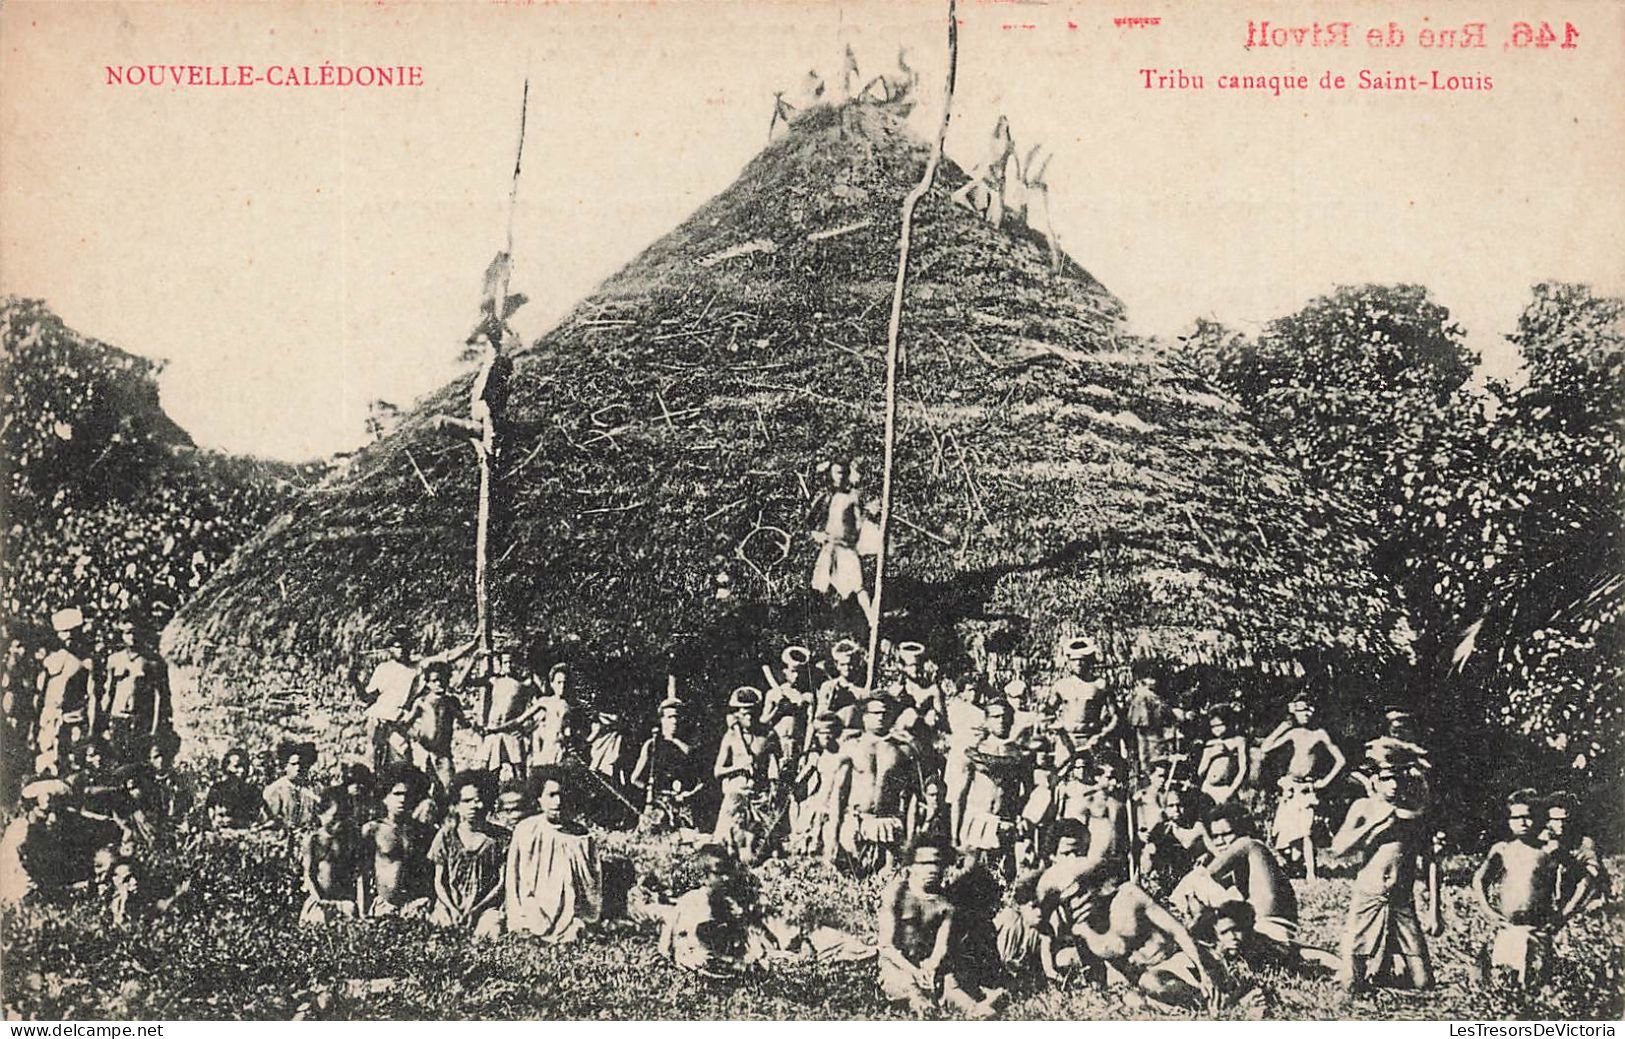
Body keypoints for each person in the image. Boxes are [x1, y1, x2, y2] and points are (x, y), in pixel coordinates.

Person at [1328, 741, 1440, 993]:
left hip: (1401, 899)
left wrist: (1435, 911)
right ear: (1375, 780)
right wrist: (1373, 826)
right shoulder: (1363, 808)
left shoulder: (1413, 812)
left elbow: (1431, 860)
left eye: (1399, 778)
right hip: (1368, 895)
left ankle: (1391, 965)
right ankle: (1375, 970)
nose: (1394, 785)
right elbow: (1338, 849)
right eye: (1388, 778)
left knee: (1424, 983)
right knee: (1352, 983)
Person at [1057, 871, 1216, 1012]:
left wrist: (1203, 970)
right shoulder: (1081, 932)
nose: (1077, 903)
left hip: (1176, 961)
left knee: (1150, 981)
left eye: (1080, 894)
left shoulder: (1128, 895)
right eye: (1069, 901)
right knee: (1132, 998)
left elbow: (1177, 930)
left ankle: (1208, 1000)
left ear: (1092, 888)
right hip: (1145, 983)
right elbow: (1095, 980)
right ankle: (1171, 1008)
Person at [878, 843, 997, 1018]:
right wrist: (914, 971)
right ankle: (921, 1006)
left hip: (927, 963)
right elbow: (886, 946)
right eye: (924, 864)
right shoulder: (896, 894)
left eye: (936, 863)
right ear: (910, 866)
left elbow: (941, 946)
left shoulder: (944, 904)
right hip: (898, 962)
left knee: (950, 984)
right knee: (909, 986)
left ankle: (974, 1010)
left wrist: (933, 964)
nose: (932, 869)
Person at [1175, 804, 1299, 949]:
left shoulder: (1252, 845)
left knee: (1198, 878)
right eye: (1215, 837)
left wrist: (1209, 850)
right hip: (1254, 935)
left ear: (1242, 832)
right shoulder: (1239, 869)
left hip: (1273, 930)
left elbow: (1210, 873)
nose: (1221, 841)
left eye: (1227, 834)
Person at [1472, 789, 1563, 987]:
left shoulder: (1548, 850)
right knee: (1504, 979)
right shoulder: (1502, 849)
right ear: (1509, 820)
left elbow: (1585, 879)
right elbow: (1479, 879)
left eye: (1528, 817)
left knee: (1536, 982)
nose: (1522, 822)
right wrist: (1489, 912)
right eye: (1516, 817)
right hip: (1508, 926)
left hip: (1537, 928)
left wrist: (1562, 914)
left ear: (1537, 818)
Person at [505, 766, 601, 943]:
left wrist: (587, 917)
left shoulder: (580, 836)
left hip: (570, 910)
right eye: (552, 795)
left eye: (563, 795)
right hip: (533, 907)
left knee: (574, 934)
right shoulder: (526, 830)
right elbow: (513, 877)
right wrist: (517, 917)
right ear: (539, 798)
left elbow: (591, 885)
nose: (558, 802)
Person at [1260, 696, 1346, 880]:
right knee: (1285, 833)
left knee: (1306, 832)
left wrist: (1325, 781)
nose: (1305, 714)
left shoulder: (1319, 734)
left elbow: (1341, 760)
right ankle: (1295, 867)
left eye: (1308, 710)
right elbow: (1266, 748)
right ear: (1294, 712)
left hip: (1307, 788)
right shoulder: (1294, 733)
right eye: (1299, 710)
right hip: (1291, 786)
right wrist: (1284, 726)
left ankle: (1311, 873)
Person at [829, 698, 918, 875]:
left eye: (885, 713)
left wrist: (909, 838)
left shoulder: (903, 749)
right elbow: (838, 793)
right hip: (857, 821)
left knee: (888, 879)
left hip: (888, 825)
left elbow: (911, 797)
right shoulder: (851, 747)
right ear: (864, 716)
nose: (880, 717)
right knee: (850, 877)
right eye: (875, 713)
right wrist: (833, 835)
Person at [429, 771, 506, 937]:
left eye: (478, 800)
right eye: (466, 801)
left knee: (492, 931)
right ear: (456, 805)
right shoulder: (446, 835)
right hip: (450, 905)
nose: (473, 806)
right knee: (439, 934)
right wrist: (451, 907)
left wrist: (477, 910)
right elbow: (439, 881)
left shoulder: (500, 838)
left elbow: (501, 882)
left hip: (486, 906)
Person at [958, 701, 1028, 872]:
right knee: (969, 869)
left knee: (1005, 871)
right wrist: (956, 834)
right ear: (987, 721)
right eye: (996, 717)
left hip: (1005, 820)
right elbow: (960, 795)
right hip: (977, 819)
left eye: (1006, 717)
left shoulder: (1019, 754)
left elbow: (1028, 790)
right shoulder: (974, 751)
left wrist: (1019, 815)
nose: (1002, 721)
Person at [712, 686, 781, 861]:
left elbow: (773, 764)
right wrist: (739, 767)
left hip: (760, 794)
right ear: (737, 714)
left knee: (762, 844)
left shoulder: (768, 736)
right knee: (727, 841)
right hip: (737, 793)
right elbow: (718, 771)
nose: (749, 717)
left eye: (752, 713)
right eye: (744, 713)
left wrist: (774, 784)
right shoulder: (731, 737)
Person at [361, 768, 433, 916]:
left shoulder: (423, 831)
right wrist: (363, 911)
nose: (402, 799)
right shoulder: (373, 830)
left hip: (415, 906)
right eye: (397, 794)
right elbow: (362, 873)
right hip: (385, 906)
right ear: (384, 797)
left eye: (407, 795)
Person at [630, 697, 704, 830]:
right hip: (658, 807)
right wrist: (652, 792)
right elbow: (634, 779)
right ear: (661, 720)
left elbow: (701, 782)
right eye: (670, 717)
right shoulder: (652, 745)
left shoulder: (690, 748)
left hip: (683, 808)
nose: (674, 721)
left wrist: (688, 795)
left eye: (677, 717)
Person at [101, 619, 170, 760]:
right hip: (117, 717)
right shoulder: (114, 660)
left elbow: (159, 697)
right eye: (127, 633)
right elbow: (109, 691)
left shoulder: (152, 662)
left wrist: (155, 728)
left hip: (139, 718)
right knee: (117, 759)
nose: (131, 637)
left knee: (138, 760)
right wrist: (103, 723)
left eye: (135, 633)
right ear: (121, 635)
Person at [37, 607, 95, 773]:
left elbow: (92, 698)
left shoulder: (86, 662)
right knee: (48, 763)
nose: (68, 636)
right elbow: (40, 696)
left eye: (72, 631)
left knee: (72, 765)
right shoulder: (51, 661)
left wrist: (91, 729)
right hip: (50, 720)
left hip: (73, 720)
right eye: (64, 632)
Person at [300, 788, 365, 924]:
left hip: (344, 903)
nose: (338, 824)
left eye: (342, 818)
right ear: (321, 815)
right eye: (334, 817)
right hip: (320, 903)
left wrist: (361, 908)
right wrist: (320, 901)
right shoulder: (314, 841)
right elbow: (309, 874)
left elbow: (358, 876)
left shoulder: (349, 840)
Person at [1049, 637, 1116, 765]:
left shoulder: (1100, 684)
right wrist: (1056, 727)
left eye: (1082, 660)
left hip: (1092, 739)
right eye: (1074, 660)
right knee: (1063, 776)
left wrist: (1101, 736)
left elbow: (1116, 717)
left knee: (1096, 777)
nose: (1078, 663)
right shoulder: (1061, 685)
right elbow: (1047, 712)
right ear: (1068, 662)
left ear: (1090, 661)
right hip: (1067, 739)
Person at [1544, 792, 1611, 915]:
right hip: (1557, 896)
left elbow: (1593, 878)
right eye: (1555, 820)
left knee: (1586, 875)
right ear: (1547, 821)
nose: (1561, 824)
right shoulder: (1544, 840)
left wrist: (1569, 861)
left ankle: (1565, 914)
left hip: (1583, 896)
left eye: (1565, 820)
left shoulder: (1584, 843)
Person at [403, 662, 465, 794]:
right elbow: (406, 723)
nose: (439, 684)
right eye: (435, 681)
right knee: (422, 787)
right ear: (428, 683)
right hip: (423, 751)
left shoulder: (451, 701)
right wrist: (416, 734)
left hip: (443, 753)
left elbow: (464, 723)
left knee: (447, 787)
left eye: (443, 680)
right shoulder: (421, 702)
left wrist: (456, 712)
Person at [789, 712, 845, 856]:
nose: (826, 737)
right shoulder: (817, 756)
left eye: (829, 733)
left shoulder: (843, 755)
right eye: (822, 733)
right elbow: (800, 780)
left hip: (837, 801)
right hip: (820, 799)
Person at [476, 648, 535, 782]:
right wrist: (475, 659)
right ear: (501, 664)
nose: (508, 665)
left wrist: (527, 730)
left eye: (511, 662)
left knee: (519, 772)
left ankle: (523, 800)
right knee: (490, 773)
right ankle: (490, 801)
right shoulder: (495, 681)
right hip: (493, 732)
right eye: (505, 662)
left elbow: (540, 708)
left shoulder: (524, 684)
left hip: (512, 732)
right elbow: (463, 684)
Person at [949, 115, 1017, 229]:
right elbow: (989, 156)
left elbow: (1012, 159)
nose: (1004, 128)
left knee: (997, 206)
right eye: (1002, 125)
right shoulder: (993, 140)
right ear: (998, 126)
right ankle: (977, 212)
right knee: (979, 192)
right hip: (989, 172)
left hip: (999, 177)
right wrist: (980, 166)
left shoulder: (1009, 143)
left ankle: (990, 221)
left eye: (1006, 126)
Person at [1140, 784, 1206, 900]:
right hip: (1166, 880)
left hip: (1188, 877)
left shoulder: (1192, 826)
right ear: (1164, 809)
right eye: (1171, 806)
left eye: (1179, 805)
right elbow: (1148, 857)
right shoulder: (1160, 829)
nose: (1176, 809)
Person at [1195, 704, 1247, 807]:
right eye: (1213, 726)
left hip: (1225, 789)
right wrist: (1210, 756)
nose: (1216, 729)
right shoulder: (1210, 743)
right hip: (1208, 788)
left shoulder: (1238, 741)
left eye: (1220, 725)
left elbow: (1243, 770)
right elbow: (1200, 772)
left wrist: (1231, 790)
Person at [262, 740, 320, 831]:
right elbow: (268, 822)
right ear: (285, 766)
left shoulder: (313, 789)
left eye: (301, 764)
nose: (298, 768)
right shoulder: (275, 789)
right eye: (293, 764)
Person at [527, 661, 573, 769]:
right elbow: (527, 722)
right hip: (547, 751)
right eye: (559, 682)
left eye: (565, 683)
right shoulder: (545, 702)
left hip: (562, 751)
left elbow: (567, 730)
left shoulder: (568, 706)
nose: (562, 686)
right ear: (552, 684)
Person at [204, 747, 261, 830]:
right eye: (237, 766)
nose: (241, 770)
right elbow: (210, 817)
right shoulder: (217, 790)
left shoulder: (253, 792)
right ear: (226, 768)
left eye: (245, 766)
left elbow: (260, 818)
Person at [814, 640, 864, 733]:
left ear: (857, 663)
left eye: (850, 664)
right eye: (842, 664)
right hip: (834, 731)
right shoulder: (829, 686)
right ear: (837, 665)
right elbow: (820, 715)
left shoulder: (864, 687)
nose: (847, 668)